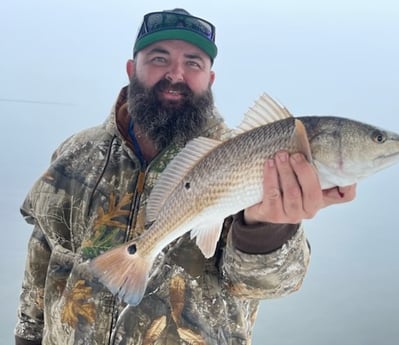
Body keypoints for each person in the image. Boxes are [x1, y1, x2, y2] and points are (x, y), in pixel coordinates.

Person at [15, 8, 356, 345]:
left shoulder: (252, 159)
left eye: (194, 62)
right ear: (132, 69)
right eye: (159, 59)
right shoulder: (76, 152)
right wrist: (27, 336)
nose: (176, 74)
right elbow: (43, 254)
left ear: (210, 78)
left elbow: (271, 283)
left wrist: (268, 228)